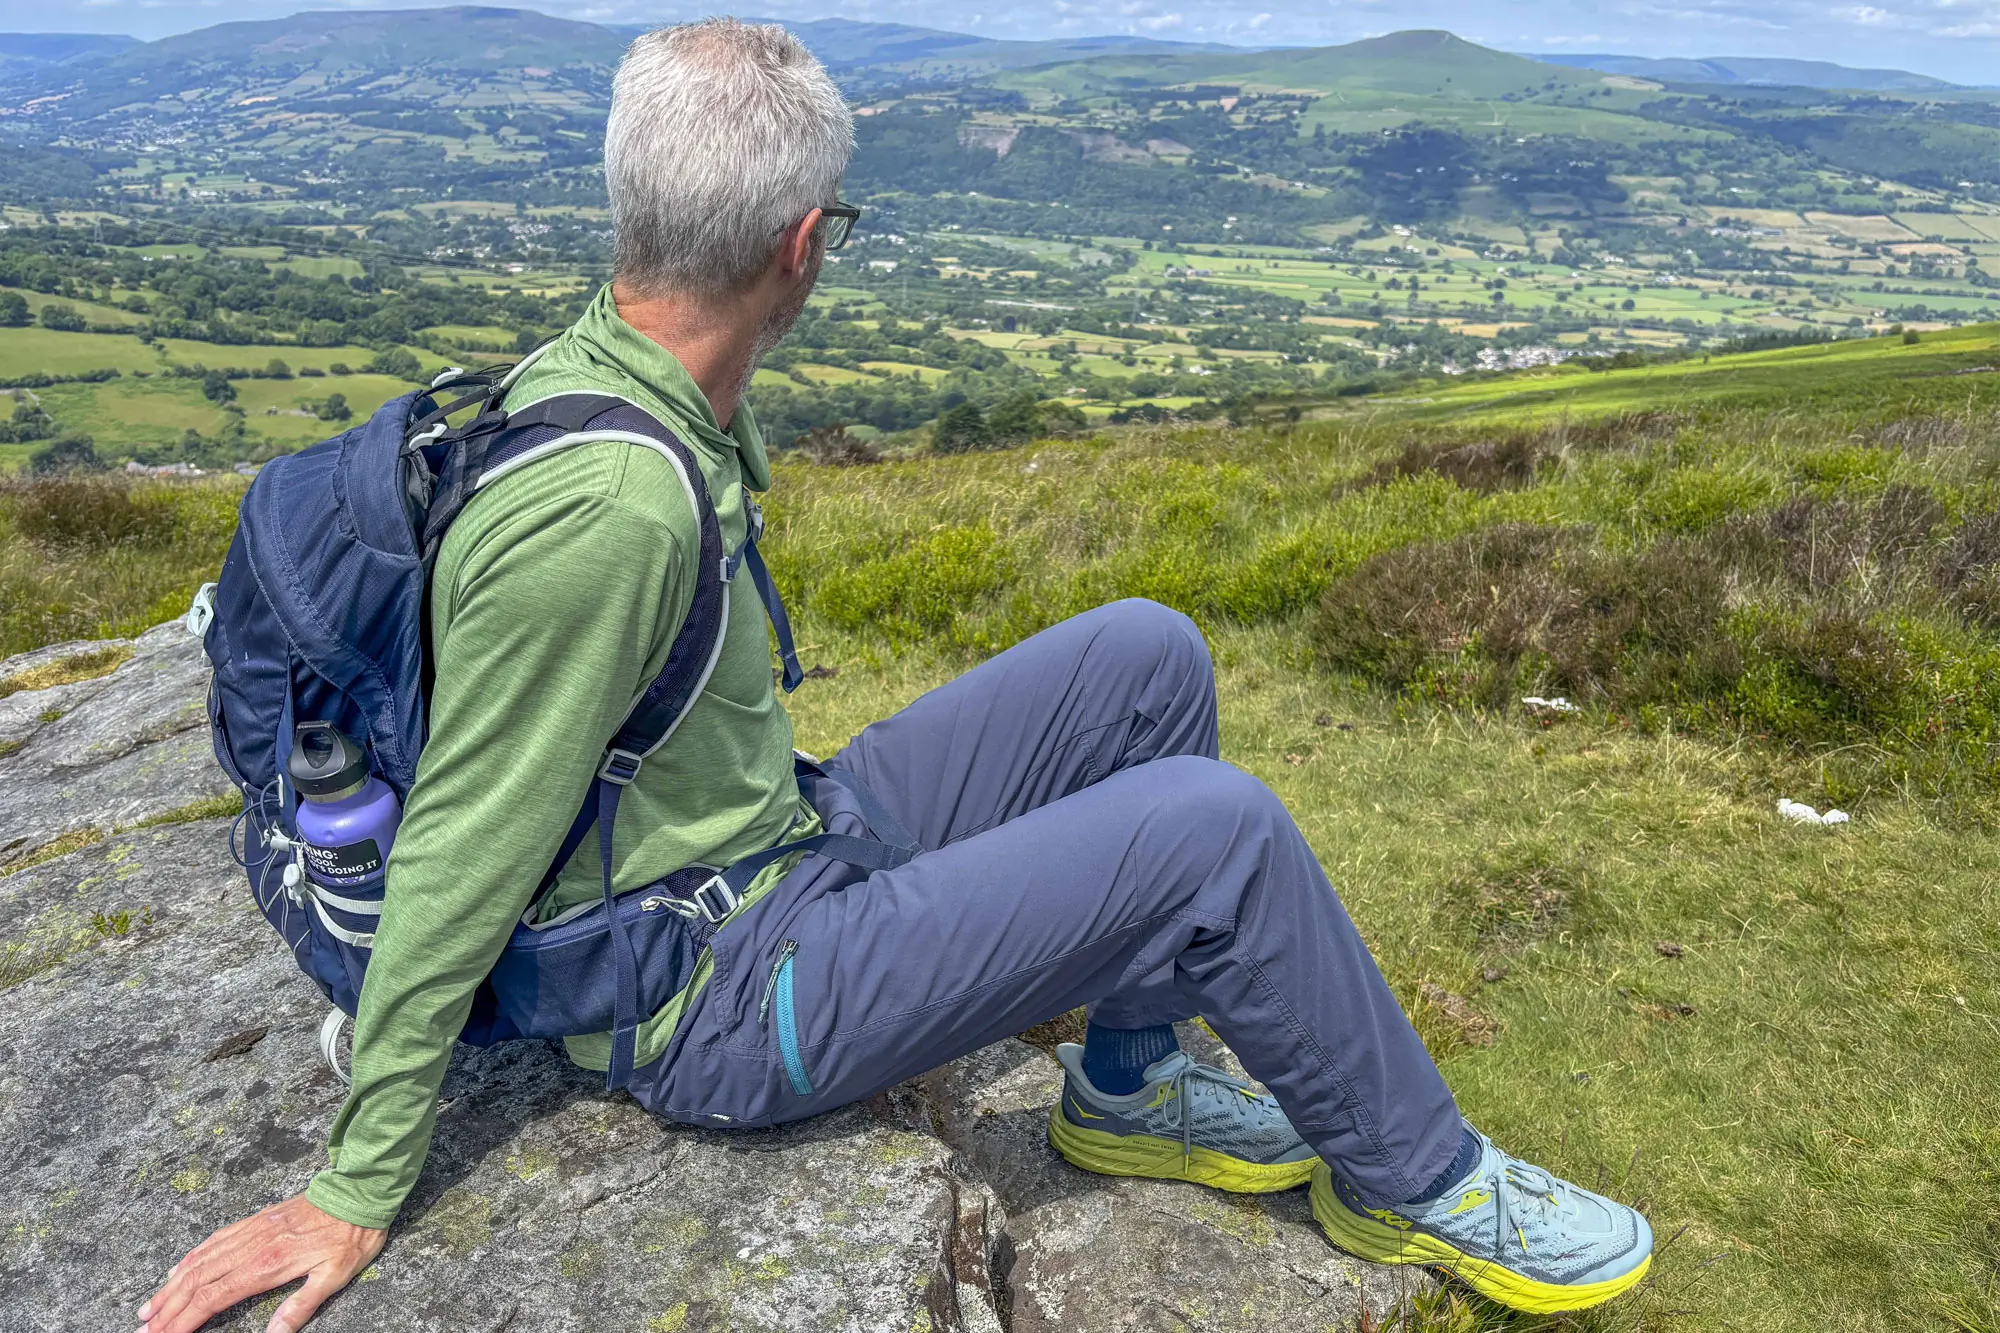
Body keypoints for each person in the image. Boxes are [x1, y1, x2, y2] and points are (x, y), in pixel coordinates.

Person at [137, 21, 1652, 1333]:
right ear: (802, 244)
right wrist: (356, 1183)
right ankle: (1421, 1185)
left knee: (1147, 656)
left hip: (776, 849)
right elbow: (466, 846)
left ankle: (1131, 1087)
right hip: (720, 998)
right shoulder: (610, 506)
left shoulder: (616, 377)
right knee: (1216, 828)